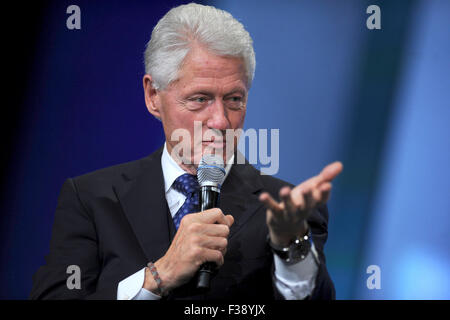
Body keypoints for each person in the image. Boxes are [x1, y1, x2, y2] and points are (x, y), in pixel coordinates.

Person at [30, 3, 342, 300]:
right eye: (199, 99)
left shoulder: (286, 210)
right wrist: (159, 275)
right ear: (154, 96)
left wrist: (291, 246)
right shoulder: (91, 199)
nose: (220, 120)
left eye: (234, 99)